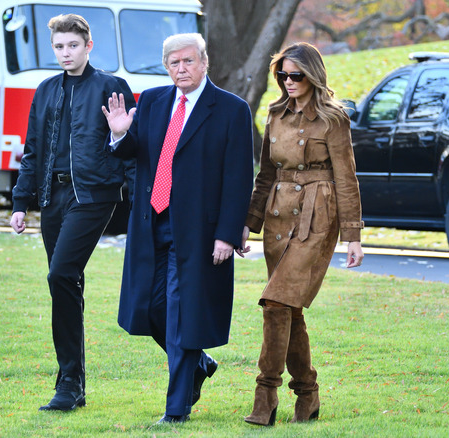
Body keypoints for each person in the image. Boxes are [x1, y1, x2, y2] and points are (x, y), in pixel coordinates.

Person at [102, 33, 254, 424]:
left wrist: (227, 231)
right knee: (150, 310)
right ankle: (199, 364)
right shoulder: (152, 101)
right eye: (174, 63)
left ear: (205, 62)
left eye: (188, 61)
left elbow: (239, 176)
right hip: (152, 224)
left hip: (199, 232)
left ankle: (176, 410)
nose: (181, 69)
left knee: (182, 316)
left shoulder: (231, 109)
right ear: (166, 66)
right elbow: (135, 150)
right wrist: (120, 132)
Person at [10, 14, 135, 412]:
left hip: (94, 195)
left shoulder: (111, 87)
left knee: (61, 273)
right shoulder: (46, 90)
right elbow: (33, 149)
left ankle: (68, 382)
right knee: (65, 284)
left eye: (73, 46)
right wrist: (20, 201)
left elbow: (132, 147)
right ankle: (72, 385)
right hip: (53, 197)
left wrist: (140, 200)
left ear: (88, 46)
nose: (66, 53)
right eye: (60, 47)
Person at [238, 42, 365, 426]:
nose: (288, 81)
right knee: (288, 309)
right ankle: (307, 396)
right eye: (283, 75)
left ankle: (265, 396)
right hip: (278, 216)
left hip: (317, 216)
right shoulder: (275, 114)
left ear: (312, 75)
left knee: (276, 303)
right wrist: (248, 222)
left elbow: (347, 178)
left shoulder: (333, 118)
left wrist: (353, 235)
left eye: (296, 75)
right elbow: (265, 176)